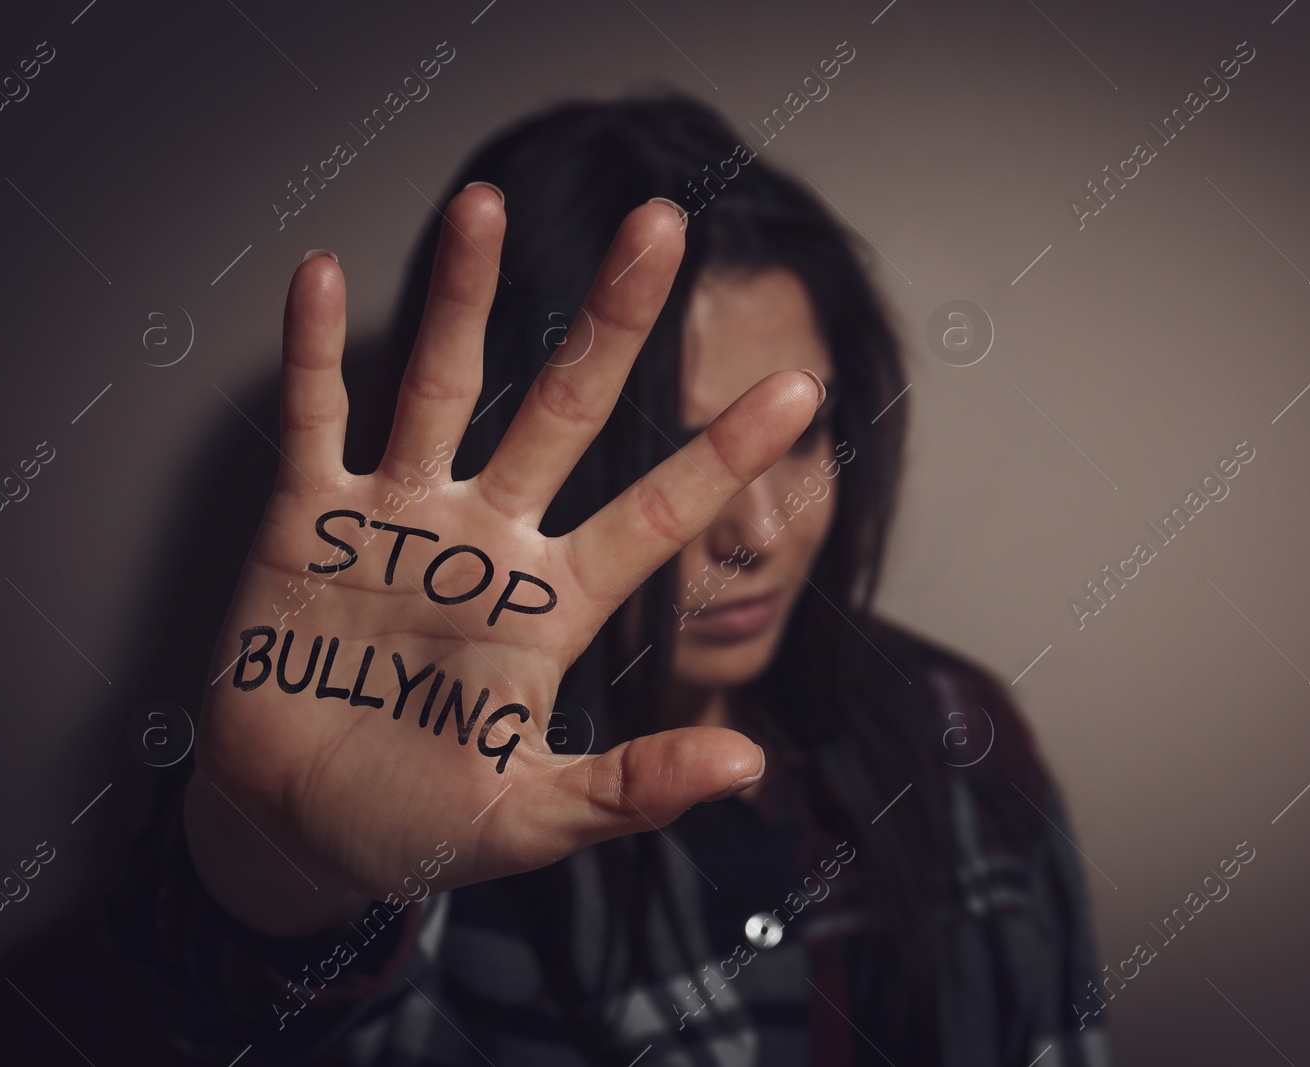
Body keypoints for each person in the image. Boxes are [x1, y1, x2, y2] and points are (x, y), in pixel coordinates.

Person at [117, 91, 1113, 1066]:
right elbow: (240, 1017)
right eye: (664, 454)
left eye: (801, 437)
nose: (758, 533)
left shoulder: (958, 731)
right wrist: (279, 865)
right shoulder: (433, 784)